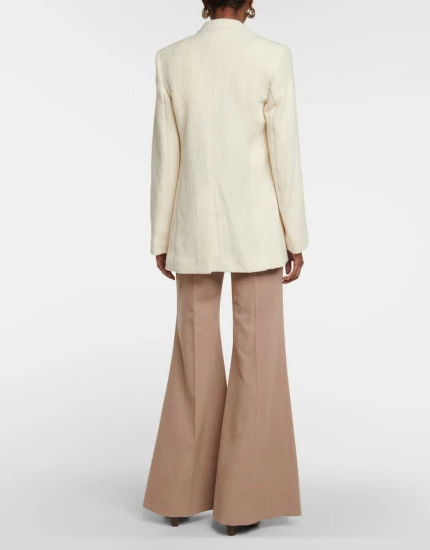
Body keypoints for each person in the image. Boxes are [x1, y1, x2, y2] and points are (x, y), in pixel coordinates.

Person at [143, 0, 308, 536]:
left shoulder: (172, 59)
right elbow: (285, 157)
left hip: (193, 226)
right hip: (258, 232)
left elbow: (165, 157)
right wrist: (295, 236)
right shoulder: (272, 57)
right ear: (249, 2)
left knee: (193, 358)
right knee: (258, 359)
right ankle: (242, 502)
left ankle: (179, 495)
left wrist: (162, 235)